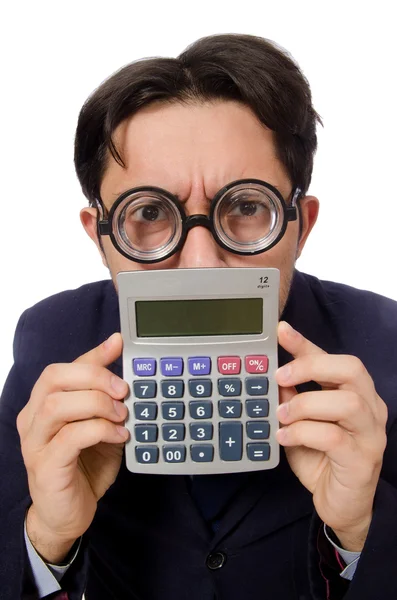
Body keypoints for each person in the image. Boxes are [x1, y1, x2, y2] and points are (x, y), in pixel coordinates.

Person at [0, 33, 396, 600]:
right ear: (101, 238)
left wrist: (361, 532)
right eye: (150, 213)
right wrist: (48, 539)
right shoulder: (48, 342)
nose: (202, 260)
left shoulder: (386, 348)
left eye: (246, 207)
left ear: (301, 226)